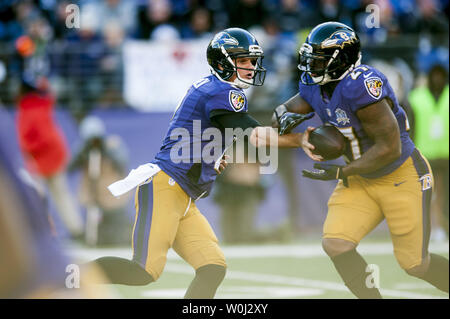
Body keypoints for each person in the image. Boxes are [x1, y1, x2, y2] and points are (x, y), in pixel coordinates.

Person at [84, 28, 303, 299]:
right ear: (223, 61)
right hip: (166, 187)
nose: (250, 67)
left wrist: (211, 156)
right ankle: (67, 277)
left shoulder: (212, 87)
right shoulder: (223, 91)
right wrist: (301, 140)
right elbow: (254, 135)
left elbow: (198, 131)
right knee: (144, 271)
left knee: (212, 267)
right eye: (243, 60)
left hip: (183, 194)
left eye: (252, 60)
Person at [254, 21, 449, 298]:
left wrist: (341, 173)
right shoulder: (314, 84)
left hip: (400, 175)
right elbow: (288, 108)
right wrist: (281, 116)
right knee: (336, 243)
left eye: (319, 60)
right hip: (360, 178)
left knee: (415, 264)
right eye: (310, 59)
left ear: (341, 60)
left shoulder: (360, 86)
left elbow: (389, 148)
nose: (312, 67)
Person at [409, 64, 449, 238]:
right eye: (435, 75)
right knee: (425, 193)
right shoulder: (416, 97)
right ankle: (428, 227)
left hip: (446, 154)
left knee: (443, 194)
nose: (437, 79)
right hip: (424, 153)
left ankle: (442, 226)